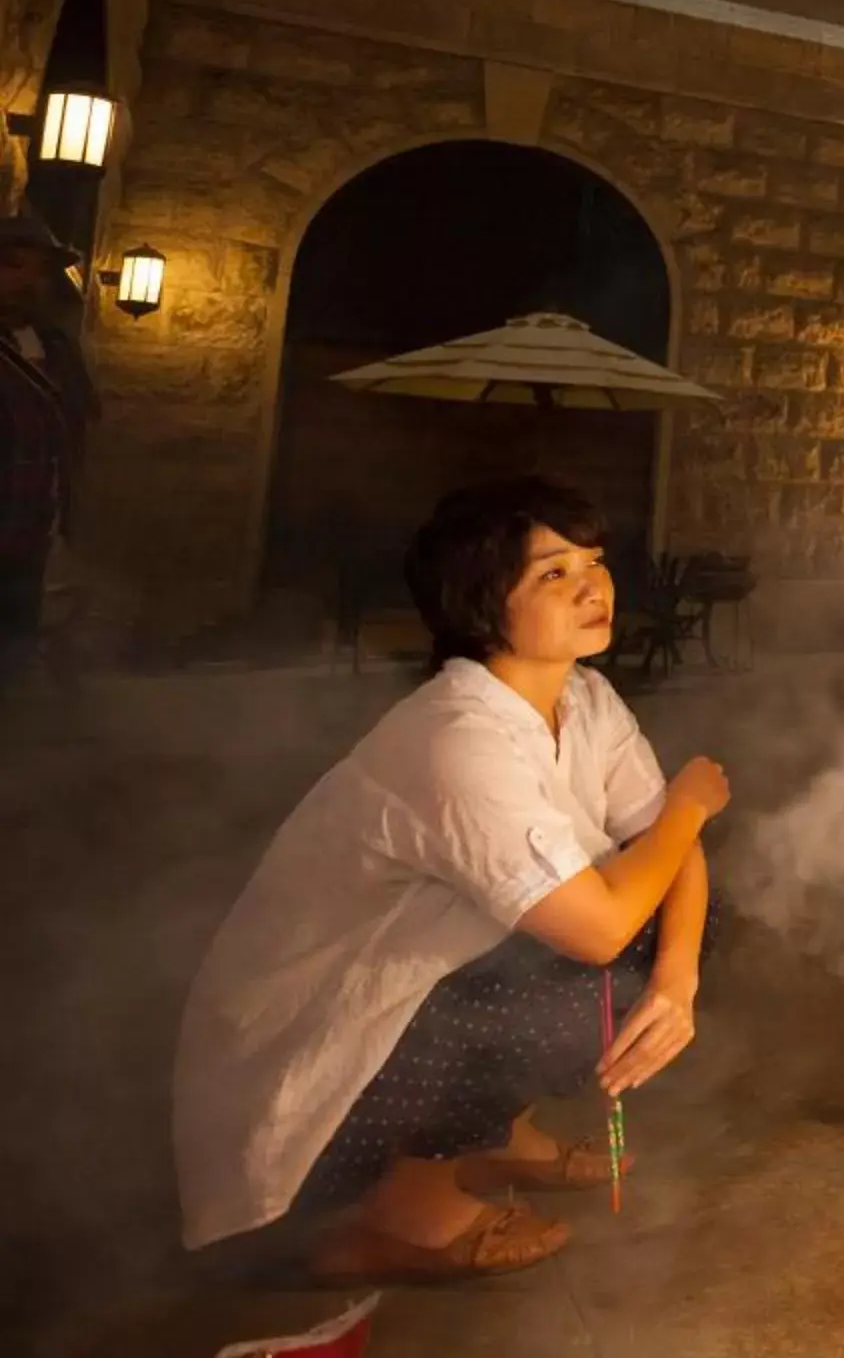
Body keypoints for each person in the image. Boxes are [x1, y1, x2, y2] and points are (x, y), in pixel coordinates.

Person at [173, 477, 725, 1280]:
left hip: (445, 972)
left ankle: (502, 1135)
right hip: (322, 1030)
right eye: (553, 574)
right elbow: (611, 912)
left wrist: (677, 981)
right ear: (480, 603)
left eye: (595, 562)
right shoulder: (457, 737)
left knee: (677, 923)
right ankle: (400, 1209)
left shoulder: (584, 694)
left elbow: (668, 855)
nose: (593, 587)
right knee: (571, 967)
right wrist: (691, 803)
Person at [0, 211, 95, 675]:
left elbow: (75, 441)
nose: (26, 282)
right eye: (13, 266)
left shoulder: (57, 350)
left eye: (38, 270)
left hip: (35, 548)